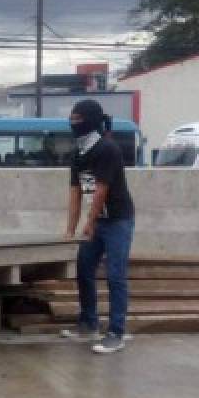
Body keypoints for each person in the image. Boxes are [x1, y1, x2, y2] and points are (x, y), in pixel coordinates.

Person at [61, 99, 136, 354]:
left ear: (90, 121)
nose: (73, 126)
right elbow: (75, 192)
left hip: (117, 220)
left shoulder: (107, 149)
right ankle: (88, 322)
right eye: (71, 122)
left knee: (115, 275)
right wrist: (70, 230)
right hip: (97, 220)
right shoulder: (78, 154)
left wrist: (90, 223)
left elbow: (101, 190)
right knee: (84, 268)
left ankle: (116, 332)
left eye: (77, 121)